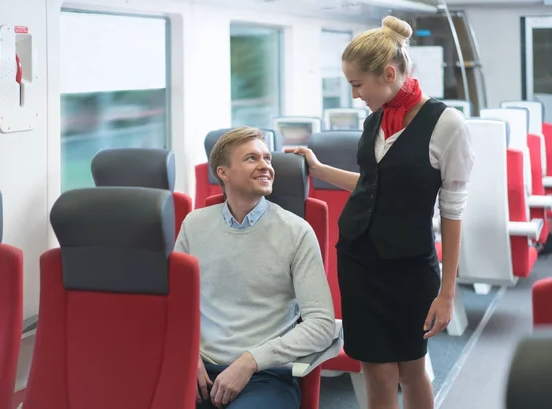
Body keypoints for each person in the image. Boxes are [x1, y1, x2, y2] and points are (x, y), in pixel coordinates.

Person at [287, 16, 475, 409]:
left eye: (357, 84)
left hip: (409, 265)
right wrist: (319, 170)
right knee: (374, 368)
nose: (355, 95)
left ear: (388, 73)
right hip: (358, 261)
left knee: (412, 367)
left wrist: (447, 291)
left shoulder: (447, 125)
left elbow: (453, 211)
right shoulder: (375, 119)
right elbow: (374, 184)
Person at [174, 126, 336, 409]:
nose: (265, 166)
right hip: (196, 372)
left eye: (267, 159)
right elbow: (175, 305)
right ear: (223, 173)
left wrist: (251, 360)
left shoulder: (297, 231)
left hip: (265, 377)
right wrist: (187, 356)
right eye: (252, 159)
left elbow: (321, 325)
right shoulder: (194, 225)